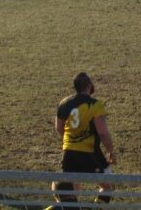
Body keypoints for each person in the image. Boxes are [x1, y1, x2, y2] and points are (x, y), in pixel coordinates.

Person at [50, 72, 116, 207]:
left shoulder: (64, 103)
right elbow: (102, 132)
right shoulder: (95, 105)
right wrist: (111, 150)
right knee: (108, 186)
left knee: (70, 191)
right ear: (88, 85)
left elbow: (59, 127)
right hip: (89, 154)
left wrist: (71, 140)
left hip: (68, 153)